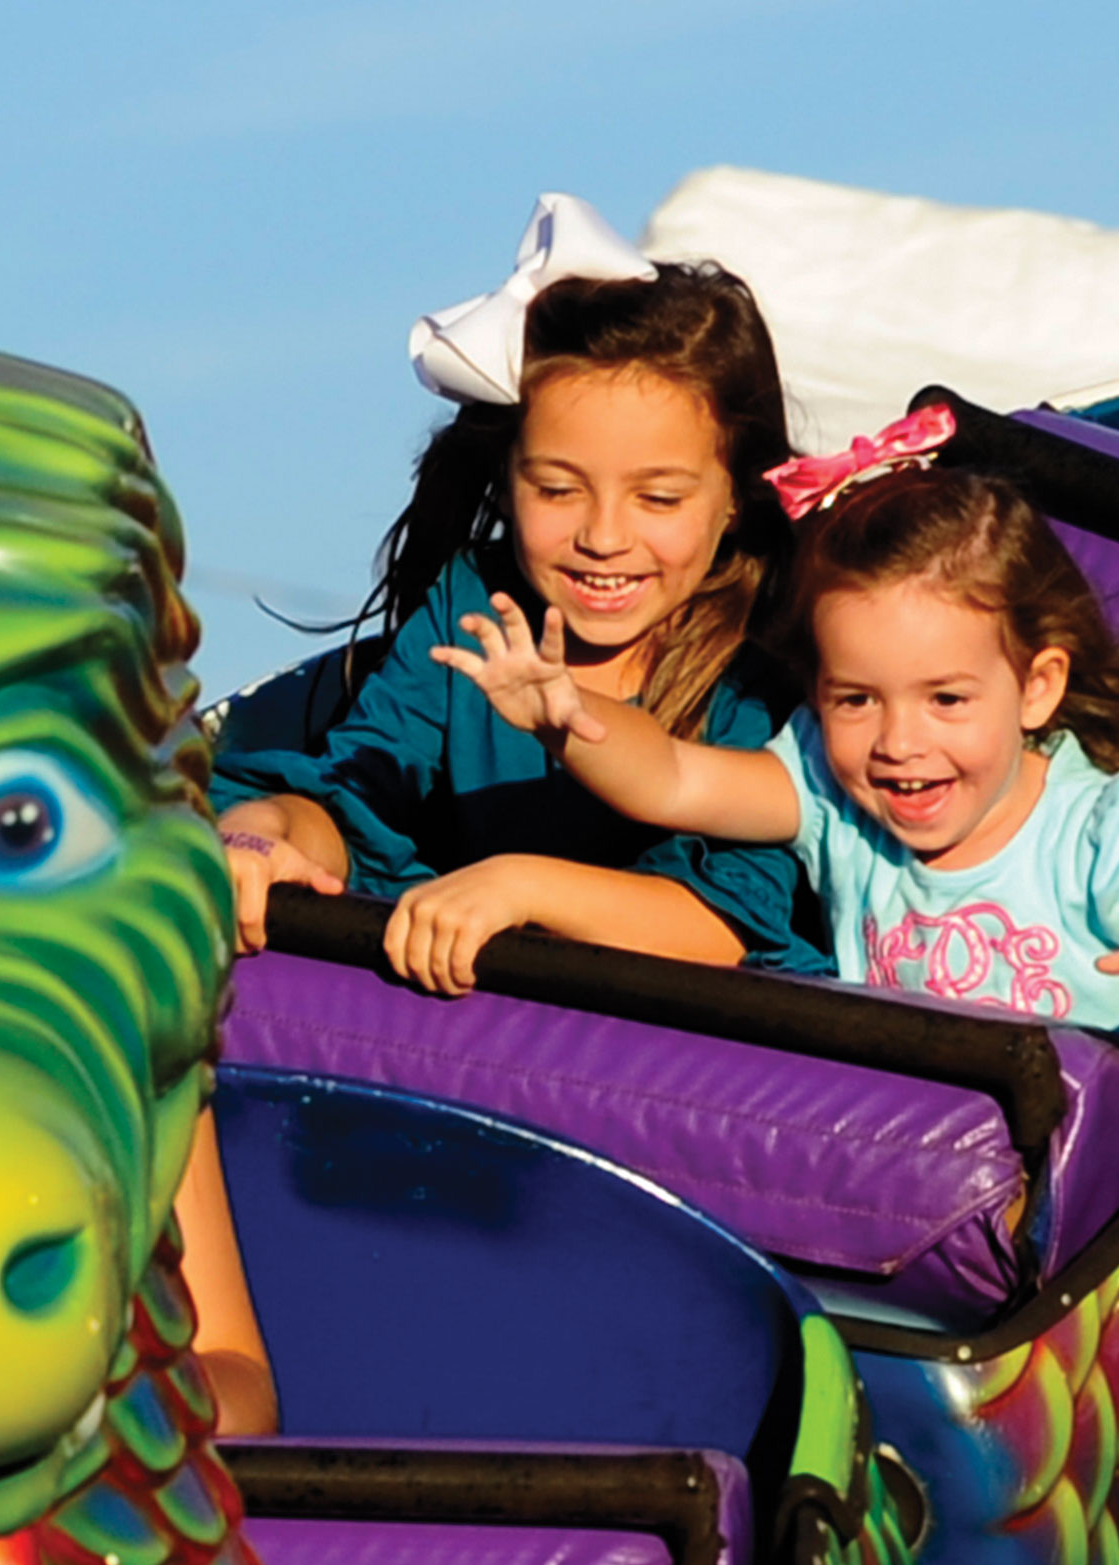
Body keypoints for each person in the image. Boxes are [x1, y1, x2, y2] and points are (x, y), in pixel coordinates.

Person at [433, 411, 1119, 1145]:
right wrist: (569, 721)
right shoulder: (832, 797)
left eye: (944, 699)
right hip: (940, 1190)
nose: (897, 742)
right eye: (855, 699)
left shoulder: (1109, 818)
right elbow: (669, 778)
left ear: (1035, 687)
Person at [210, 198, 825, 1001]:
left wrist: (519, 887)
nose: (604, 537)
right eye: (559, 489)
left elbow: (725, 927)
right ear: (506, 480)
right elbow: (357, 798)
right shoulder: (472, 606)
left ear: (735, 498)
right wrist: (261, 838)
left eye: (659, 500)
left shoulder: (763, 659)